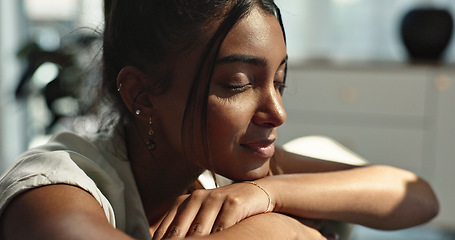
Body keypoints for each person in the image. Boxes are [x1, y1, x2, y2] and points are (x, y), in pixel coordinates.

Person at [0, 0, 439, 239]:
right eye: (237, 84)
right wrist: (278, 233)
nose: (278, 113)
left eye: (280, 83)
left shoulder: (221, 167)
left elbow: (415, 197)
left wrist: (265, 195)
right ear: (141, 95)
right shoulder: (53, 188)